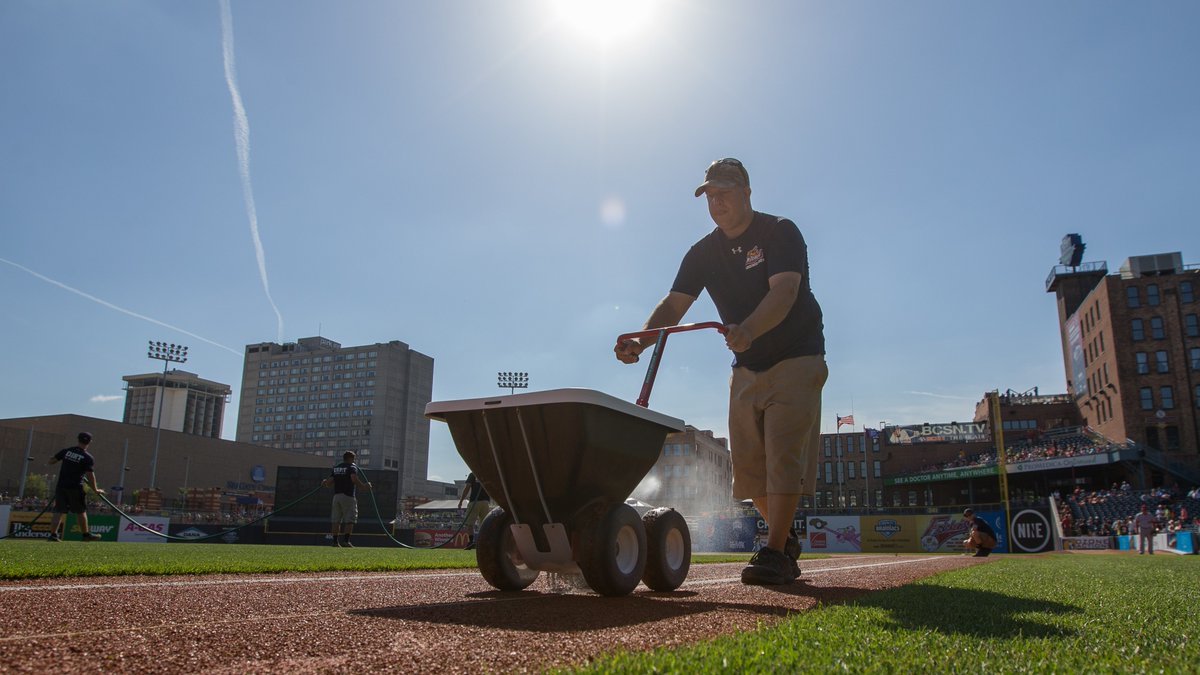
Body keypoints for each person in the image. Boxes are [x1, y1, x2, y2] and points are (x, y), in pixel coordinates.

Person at [615, 157, 826, 585]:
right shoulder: (702, 253)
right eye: (710, 196)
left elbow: (785, 291)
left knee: (782, 454)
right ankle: (784, 539)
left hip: (796, 355)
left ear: (747, 192)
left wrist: (748, 329)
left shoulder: (780, 231)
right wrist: (641, 340)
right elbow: (674, 305)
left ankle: (775, 552)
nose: (717, 203)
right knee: (748, 468)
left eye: (725, 193)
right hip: (747, 365)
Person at [47, 432, 105, 542]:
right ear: (90, 442)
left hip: (61, 486)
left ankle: (53, 535)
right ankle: (85, 535)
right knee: (81, 511)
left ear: (78, 439)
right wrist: (95, 489)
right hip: (75, 487)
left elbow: (51, 461)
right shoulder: (88, 457)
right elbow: (90, 475)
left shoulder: (66, 451)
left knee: (59, 511)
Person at [320, 451, 371, 548]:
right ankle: (346, 541)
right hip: (348, 496)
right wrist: (364, 487)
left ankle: (335, 542)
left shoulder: (336, 468)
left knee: (336, 520)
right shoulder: (352, 467)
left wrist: (324, 482)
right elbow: (354, 478)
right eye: (354, 459)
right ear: (350, 458)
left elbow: (329, 483)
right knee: (350, 520)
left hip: (336, 497)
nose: (354, 461)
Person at [457, 472, 491, 549]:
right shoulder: (486, 474)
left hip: (474, 502)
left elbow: (467, 488)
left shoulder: (473, 474)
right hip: (485, 502)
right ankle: (484, 542)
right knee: (485, 524)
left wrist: (461, 501)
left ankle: (471, 542)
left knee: (470, 523)